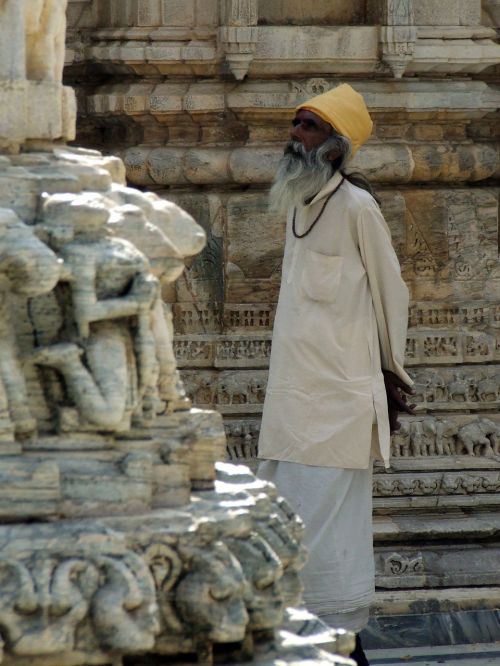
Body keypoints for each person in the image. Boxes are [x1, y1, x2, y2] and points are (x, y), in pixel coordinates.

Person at [257, 84, 415, 666]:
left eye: (309, 127)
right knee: (282, 519)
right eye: (296, 124)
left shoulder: (357, 207)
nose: (295, 135)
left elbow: (389, 293)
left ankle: (340, 647)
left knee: (325, 537)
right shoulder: (299, 202)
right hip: (291, 405)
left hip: (339, 406)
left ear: (336, 146)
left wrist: (389, 375)